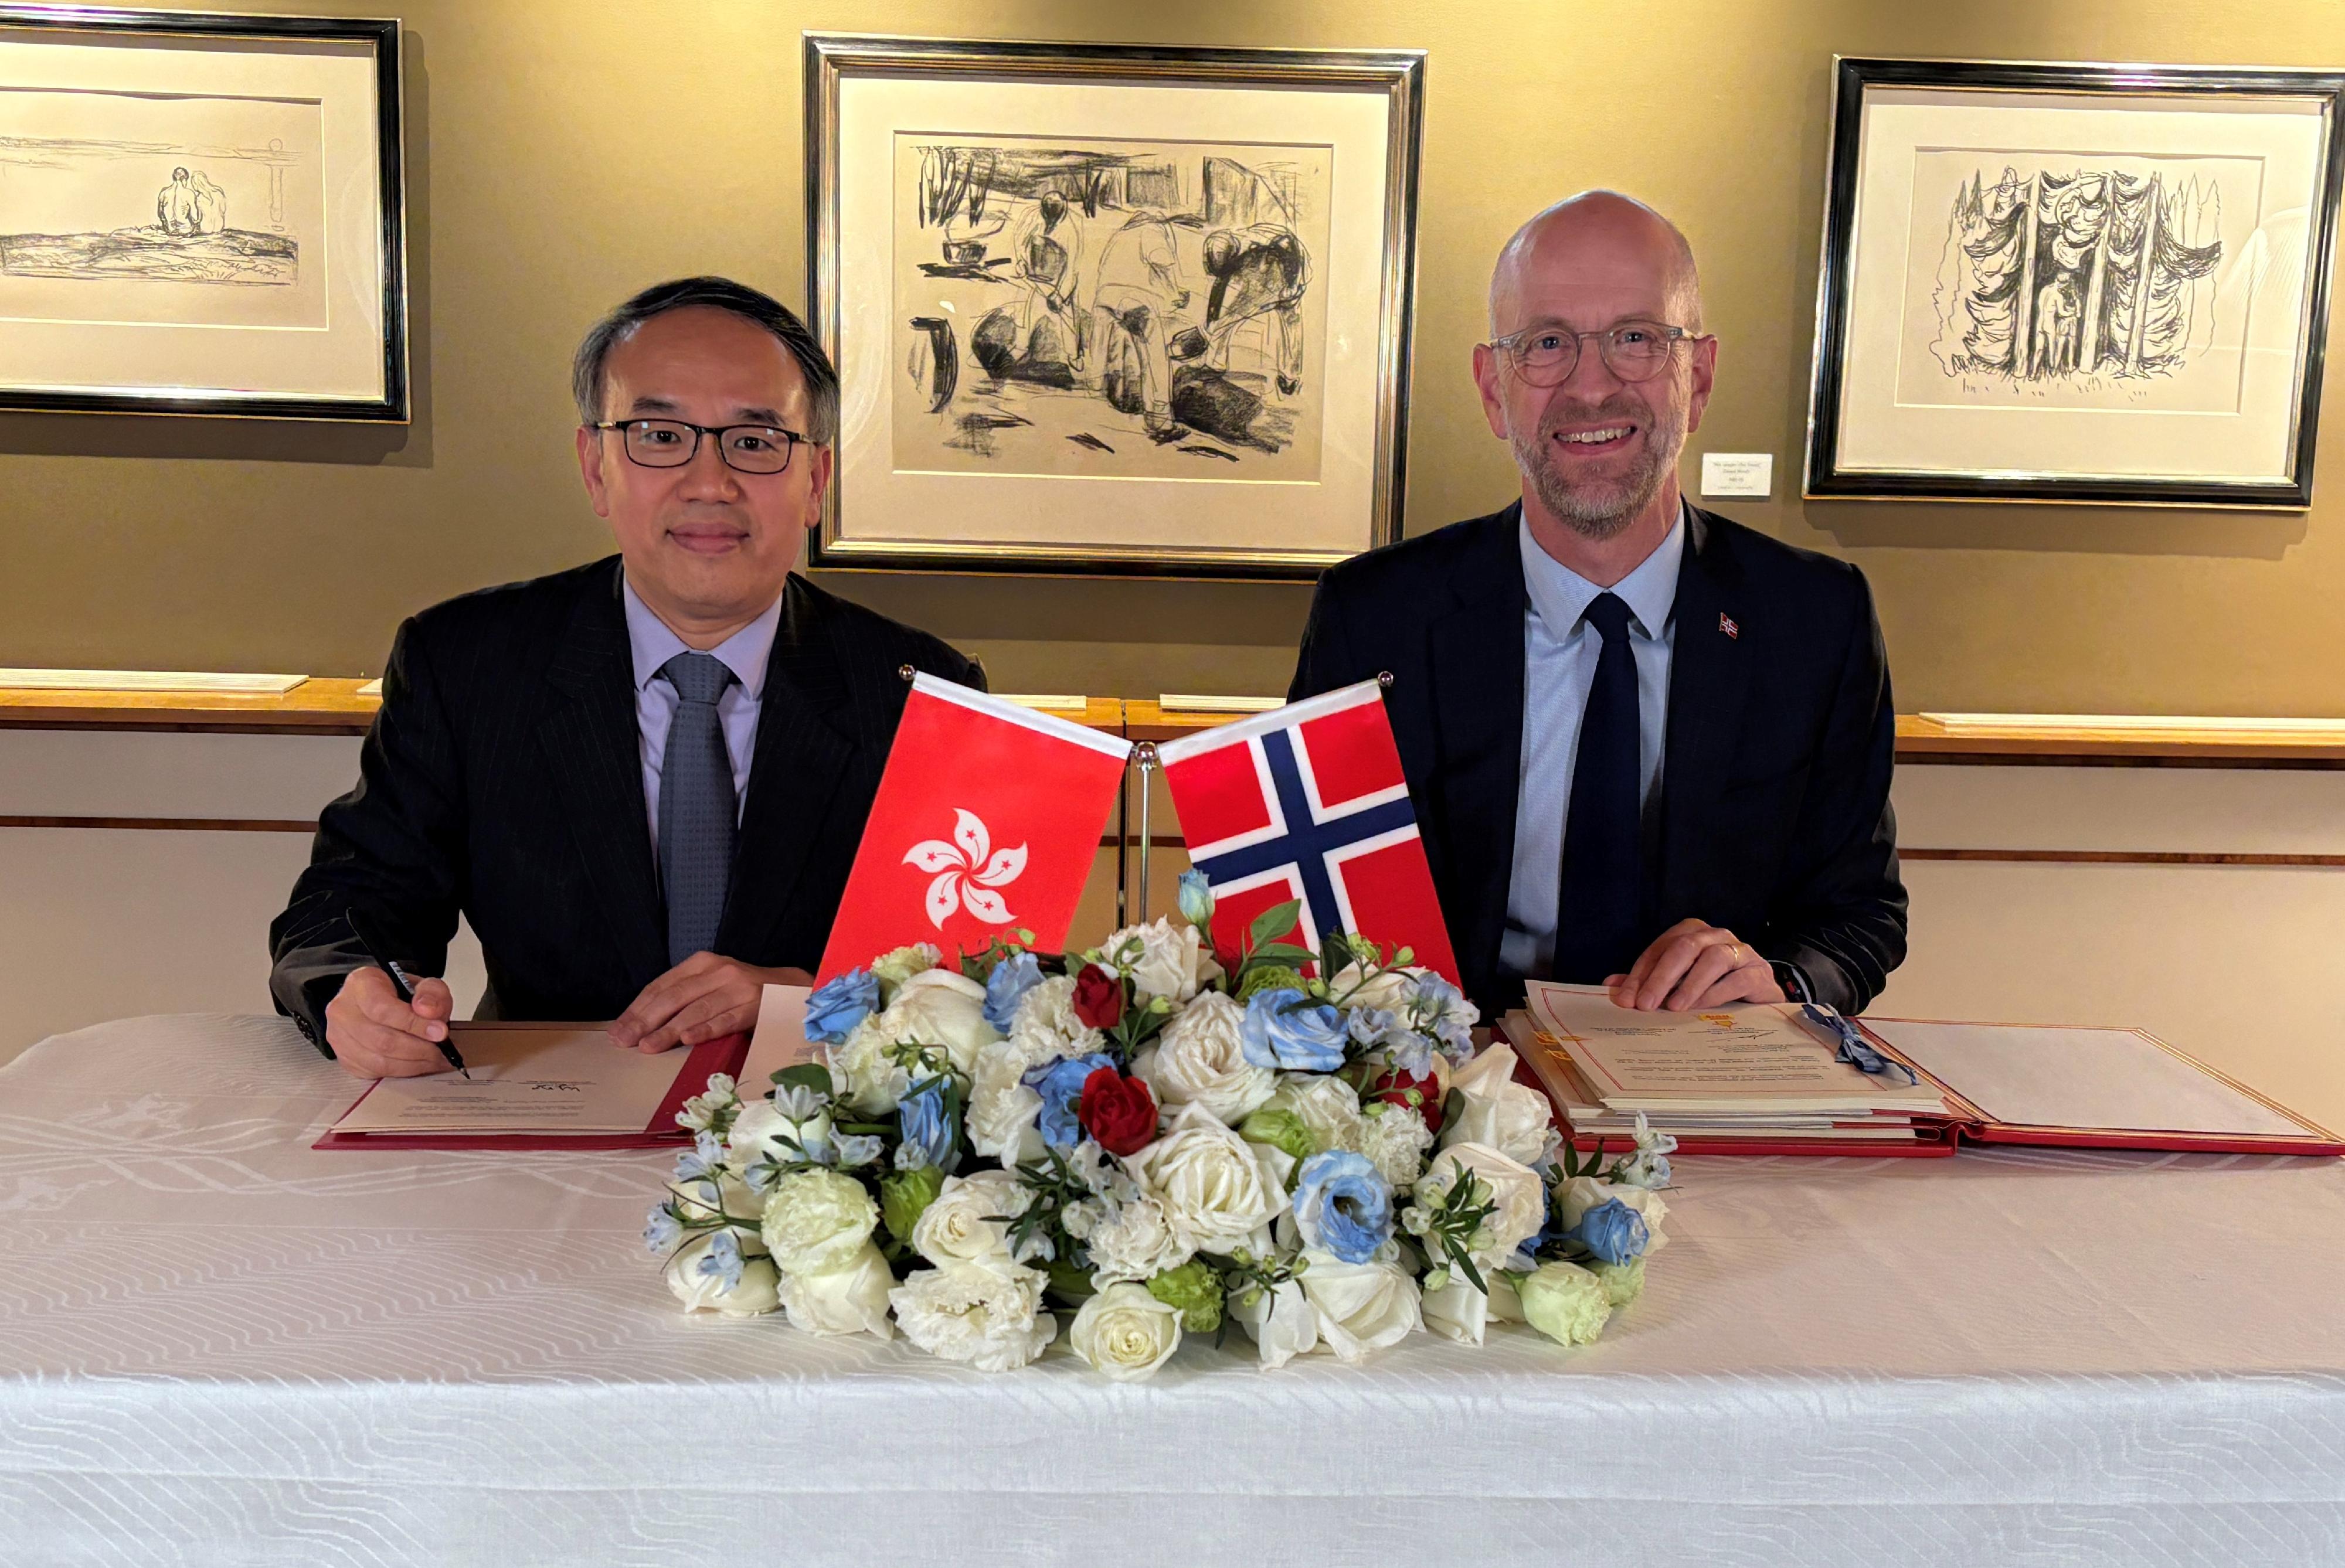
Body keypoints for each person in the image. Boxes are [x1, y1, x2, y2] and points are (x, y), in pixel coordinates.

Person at [270, 277, 984, 1077]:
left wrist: (808, 997)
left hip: (814, 1136)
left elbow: (975, 974)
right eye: (658, 434)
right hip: (540, 1119)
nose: (709, 482)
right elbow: (350, 904)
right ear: (595, 467)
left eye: (754, 442)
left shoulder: (923, 694)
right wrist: (355, 993)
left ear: (815, 481)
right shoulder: (468, 666)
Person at [1288, 191, 1905, 1018]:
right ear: (1492, 389)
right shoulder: (1373, 616)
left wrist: (1784, 982)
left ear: (1701, 377)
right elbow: (1303, 908)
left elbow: (1860, 913)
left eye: (1636, 340)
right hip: (1449, 1083)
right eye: (1546, 344)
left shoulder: (1816, 621)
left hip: (1705, 1078)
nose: (1592, 386)